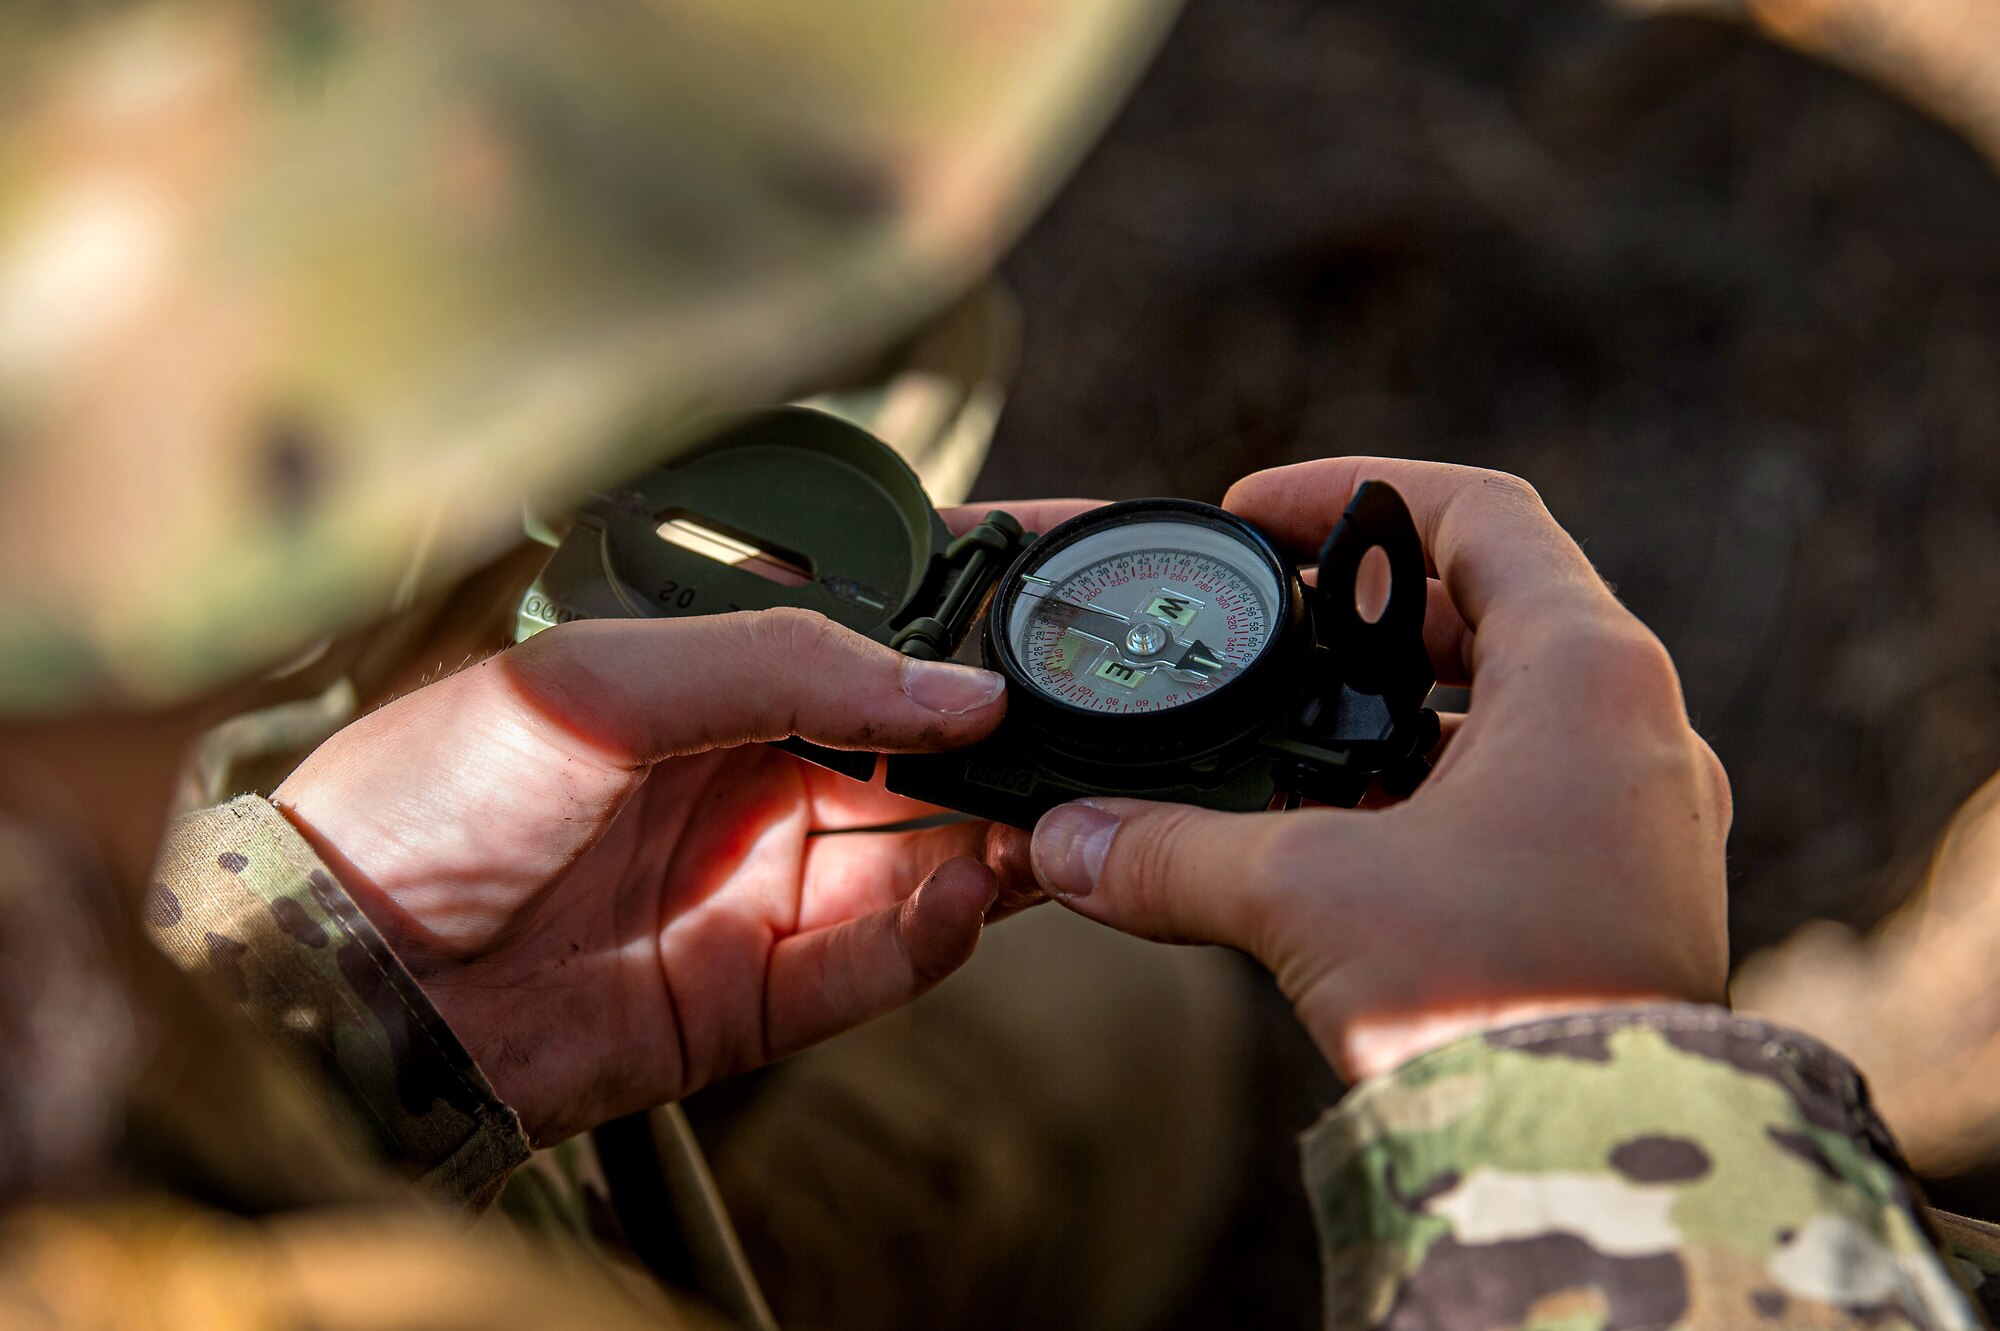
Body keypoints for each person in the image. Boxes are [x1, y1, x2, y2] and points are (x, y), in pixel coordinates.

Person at [134, 453, 2000, 1329]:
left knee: (1105, 1035)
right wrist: (1601, 1103)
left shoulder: (97, 1162)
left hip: (402, 1081)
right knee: (1121, 1046)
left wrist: (353, 987)